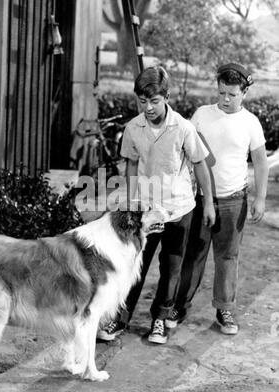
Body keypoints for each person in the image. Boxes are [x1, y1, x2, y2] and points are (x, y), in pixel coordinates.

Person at [97, 65, 215, 344]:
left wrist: (207, 203)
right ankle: (119, 318)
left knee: (171, 268)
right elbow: (132, 164)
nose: (148, 107)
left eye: (154, 101)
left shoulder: (184, 128)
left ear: (166, 97)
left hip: (178, 209)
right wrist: (130, 201)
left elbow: (200, 166)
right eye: (142, 101)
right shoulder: (133, 128)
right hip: (145, 210)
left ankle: (159, 320)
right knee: (134, 264)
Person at [165, 62, 269, 335]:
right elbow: (184, 151)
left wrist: (260, 199)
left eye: (231, 95)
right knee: (193, 255)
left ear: (244, 93)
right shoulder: (201, 115)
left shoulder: (250, 123)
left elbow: (260, 163)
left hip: (234, 199)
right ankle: (179, 305)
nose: (224, 99)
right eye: (221, 93)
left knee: (227, 257)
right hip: (199, 199)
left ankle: (225, 309)